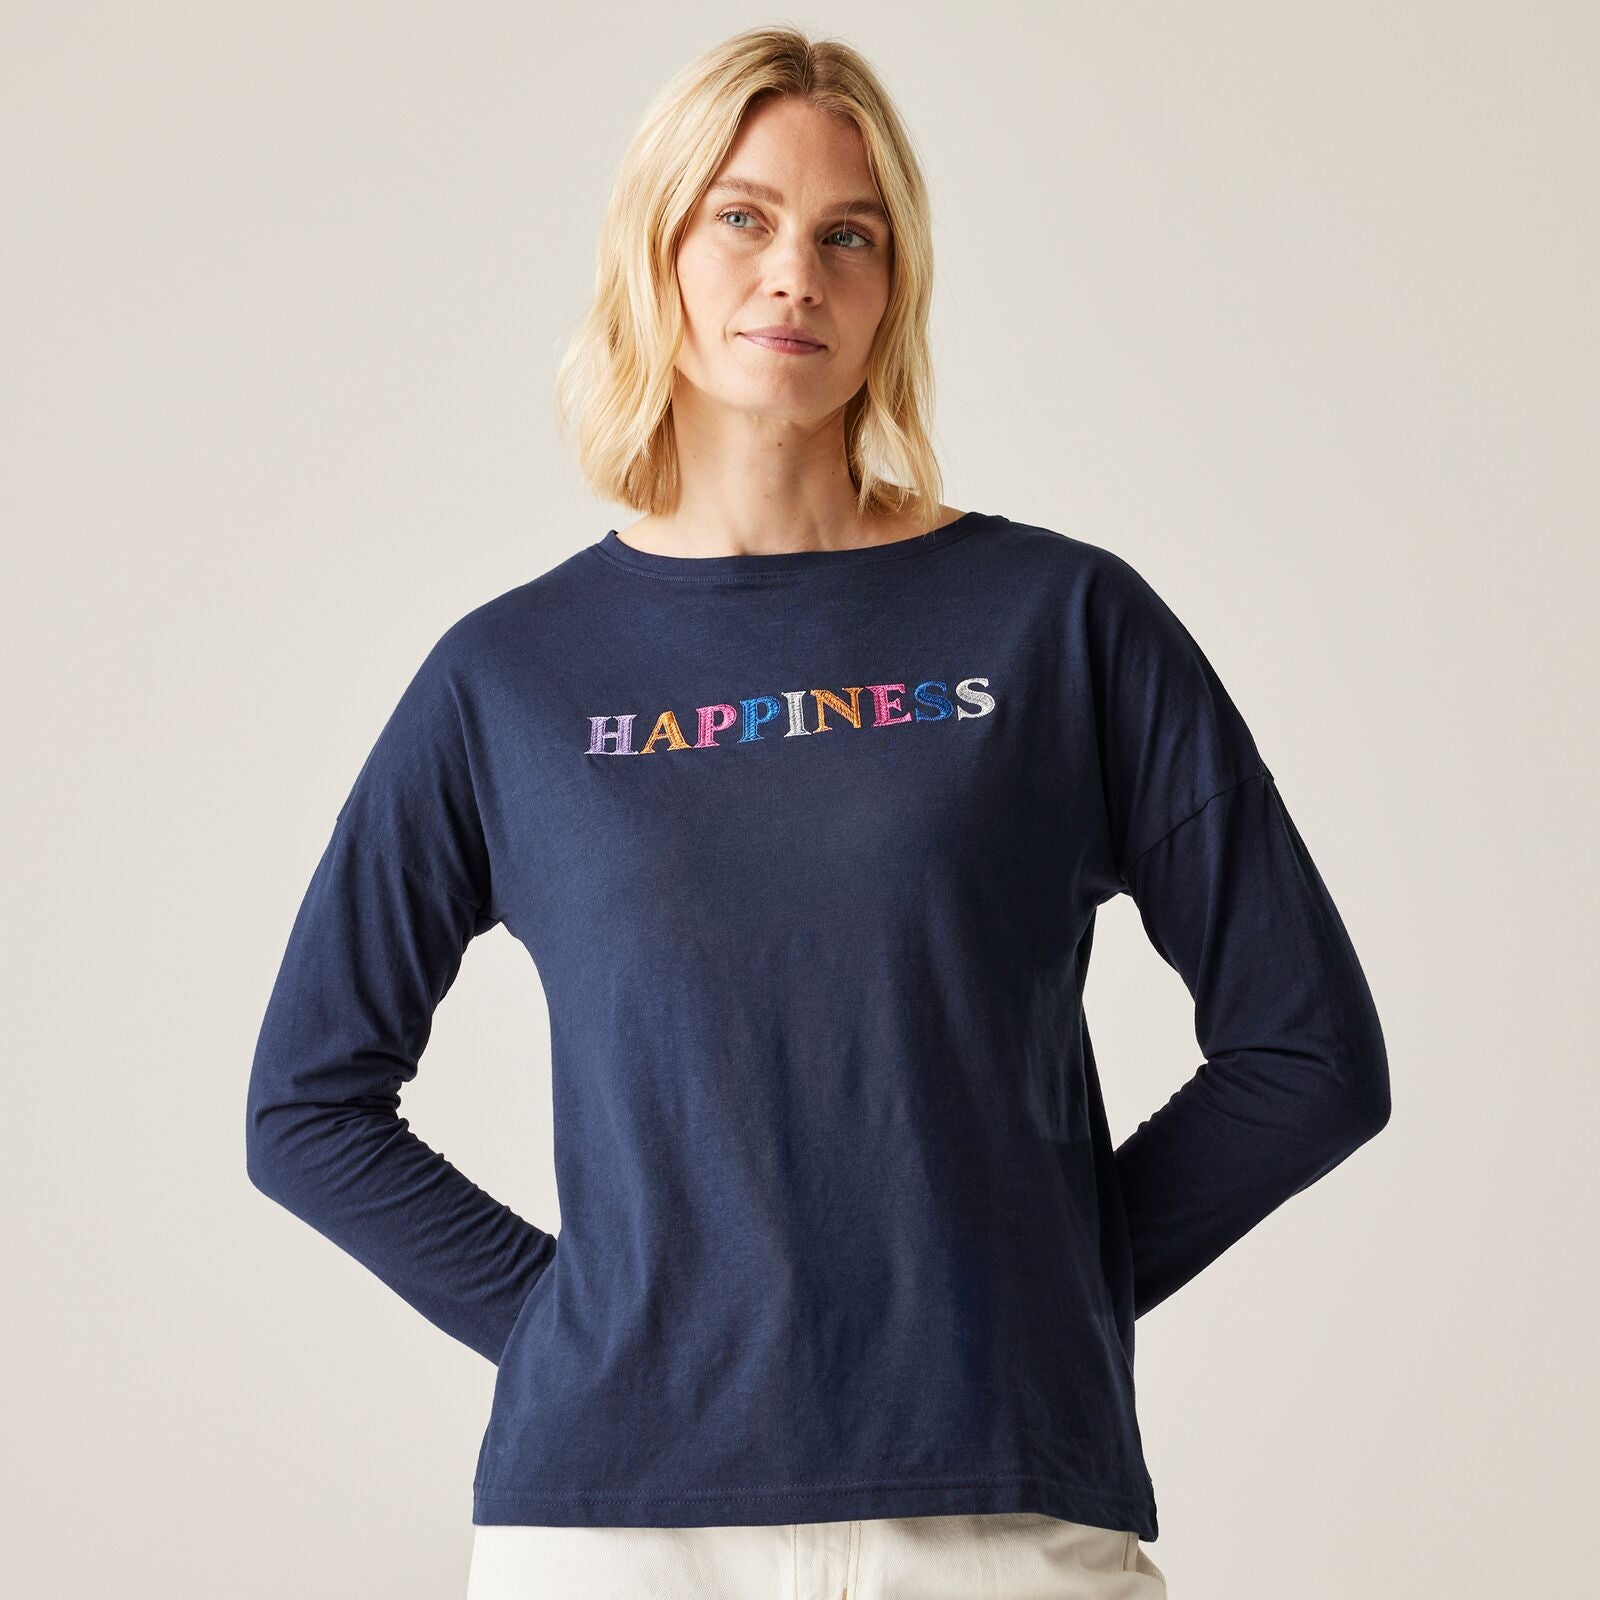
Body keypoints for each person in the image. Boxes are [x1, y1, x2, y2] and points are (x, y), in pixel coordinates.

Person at [245, 25, 1391, 1600]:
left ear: (894, 288)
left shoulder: (1062, 624)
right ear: (654, 250)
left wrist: (1033, 1302)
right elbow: (305, 1106)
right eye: (744, 217)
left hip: (1002, 1519)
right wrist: (582, 1330)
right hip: (623, 1532)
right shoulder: (507, 678)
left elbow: (1311, 1055)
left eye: (850, 235)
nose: (795, 272)